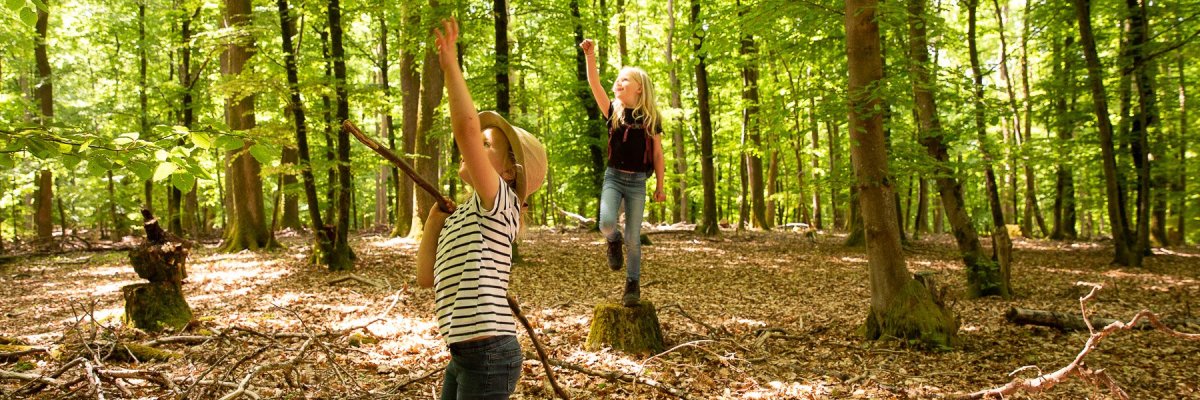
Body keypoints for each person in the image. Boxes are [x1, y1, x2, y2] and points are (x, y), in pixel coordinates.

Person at [416, 17, 547, 400]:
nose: (474, 148)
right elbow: (426, 277)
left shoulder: (501, 203)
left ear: (507, 171)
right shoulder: (465, 216)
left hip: (490, 352)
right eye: (483, 142)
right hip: (462, 354)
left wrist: (451, 67)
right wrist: (432, 224)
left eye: (487, 146)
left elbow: (465, 131)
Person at [580, 38, 666, 307]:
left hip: (638, 181)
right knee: (606, 223)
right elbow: (595, 83)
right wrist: (590, 55)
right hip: (614, 177)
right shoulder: (613, 111)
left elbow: (658, 154)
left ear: (639, 88)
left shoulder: (651, 118)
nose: (618, 83)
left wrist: (660, 186)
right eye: (617, 79)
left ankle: (632, 284)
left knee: (634, 237)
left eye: (624, 80)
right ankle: (612, 241)